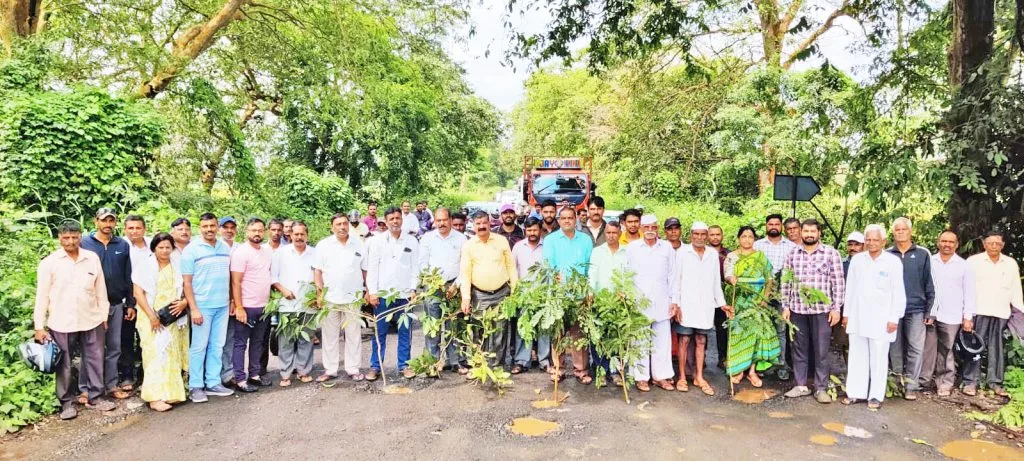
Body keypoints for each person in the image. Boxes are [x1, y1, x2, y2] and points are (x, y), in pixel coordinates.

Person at [34, 221, 117, 420]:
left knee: (95, 358)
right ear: (59, 238)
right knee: (64, 363)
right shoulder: (49, 263)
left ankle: (96, 396)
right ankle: (67, 403)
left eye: (74, 237)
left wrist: (103, 316)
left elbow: (100, 290)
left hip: (92, 318)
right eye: (66, 238)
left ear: (80, 236)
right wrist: (39, 326)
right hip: (61, 321)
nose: (70, 241)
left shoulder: (91, 258)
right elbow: (42, 296)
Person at [780, 219, 845, 403]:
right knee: (799, 349)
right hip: (797, 310)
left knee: (821, 350)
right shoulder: (793, 254)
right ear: (801, 232)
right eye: (806, 231)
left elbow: (838, 283)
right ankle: (800, 385)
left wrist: (836, 308)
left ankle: (821, 388)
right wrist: (786, 306)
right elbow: (786, 281)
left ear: (819, 233)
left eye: (812, 231)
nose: (809, 234)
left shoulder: (831, 254)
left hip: (822, 311)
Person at [843, 224, 905, 410]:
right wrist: (846, 314)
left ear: (884, 241)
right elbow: (851, 289)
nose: (871, 243)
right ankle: (855, 392)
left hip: (882, 318)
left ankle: (876, 396)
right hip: (858, 315)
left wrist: (895, 317)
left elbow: (898, 292)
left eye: (875, 240)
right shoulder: (858, 260)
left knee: (878, 357)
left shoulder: (892, 262)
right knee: (857, 356)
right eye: (868, 239)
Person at [79, 207, 135, 401]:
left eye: (111, 220)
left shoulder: (122, 244)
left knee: (114, 347)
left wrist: (131, 303)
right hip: (92, 306)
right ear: (96, 221)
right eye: (104, 220)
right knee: (91, 347)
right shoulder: (84, 243)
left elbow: (129, 275)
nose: (107, 224)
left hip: (117, 304)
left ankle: (111, 384)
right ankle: (85, 389)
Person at [131, 232, 189, 412]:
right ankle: (154, 397)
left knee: (171, 356)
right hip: (151, 318)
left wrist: (184, 302)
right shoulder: (145, 267)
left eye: (168, 247)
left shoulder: (177, 265)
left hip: (173, 317)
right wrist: (152, 317)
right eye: (160, 247)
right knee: (154, 355)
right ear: (154, 248)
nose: (164, 251)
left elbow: (187, 287)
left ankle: (171, 394)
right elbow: (138, 293)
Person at [181, 212, 235, 403]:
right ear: (200, 227)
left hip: (222, 305)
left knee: (217, 345)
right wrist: (194, 308)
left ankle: (213, 382)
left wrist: (231, 301)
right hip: (202, 306)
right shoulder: (191, 250)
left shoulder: (224, 247)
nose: (209, 229)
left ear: (217, 227)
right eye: (205, 226)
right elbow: (187, 283)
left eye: (212, 226)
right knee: (199, 346)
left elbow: (229, 276)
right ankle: (196, 386)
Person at [672, 222, 729, 396]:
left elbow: (715, 283)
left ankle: (699, 376)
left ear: (706, 236)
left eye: (703, 234)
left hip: (705, 306)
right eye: (696, 234)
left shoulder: (712, 254)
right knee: (684, 340)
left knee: (701, 341)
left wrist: (722, 303)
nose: (699, 237)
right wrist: (676, 304)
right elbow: (676, 280)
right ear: (691, 235)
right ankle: (681, 376)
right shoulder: (682, 253)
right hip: (686, 305)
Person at [964, 231, 1023, 397]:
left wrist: (1020, 313)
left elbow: (1016, 290)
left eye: (997, 243)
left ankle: (995, 382)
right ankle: (971, 382)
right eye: (990, 243)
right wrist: (967, 314)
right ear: (984, 244)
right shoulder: (973, 262)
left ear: (1003, 245)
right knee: (975, 347)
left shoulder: (1010, 263)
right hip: (979, 310)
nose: (994, 246)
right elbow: (967, 289)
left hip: (1001, 312)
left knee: (997, 349)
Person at [366, 206, 420, 380]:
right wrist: (372, 292)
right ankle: (375, 366)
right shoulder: (377, 242)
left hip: (404, 296)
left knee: (405, 332)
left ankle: (405, 366)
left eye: (398, 218)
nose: (395, 221)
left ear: (401, 220)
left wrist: (413, 289)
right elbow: (372, 268)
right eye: (392, 219)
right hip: (383, 296)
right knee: (379, 333)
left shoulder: (411, 241)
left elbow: (415, 268)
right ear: (386, 221)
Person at [460, 210, 518, 369]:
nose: (481, 226)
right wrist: (466, 298)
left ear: (490, 223)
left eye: (484, 223)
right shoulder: (468, 246)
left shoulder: (501, 241)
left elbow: (511, 267)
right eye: (478, 224)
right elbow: (465, 273)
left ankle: (497, 366)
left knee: (500, 330)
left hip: (501, 293)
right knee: (480, 331)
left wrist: (515, 289)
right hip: (479, 295)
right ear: (473, 225)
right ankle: (481, 365)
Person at [314, 214, 368, 385]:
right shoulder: (323, 245)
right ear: (332, 227)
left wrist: (366, 290)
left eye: (345, 223)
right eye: (338, 224)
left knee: (353, 334)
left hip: (353, 297)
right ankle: (330, 370)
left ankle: (353, 369)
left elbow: (364, 269)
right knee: (330, 335)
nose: (342, 227)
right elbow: (317, 272)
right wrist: (319, 293)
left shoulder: (358, 244)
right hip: (330, 298)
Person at [723, 226, 780, 388]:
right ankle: (738, 369)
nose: (747, 240)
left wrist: (765, 298)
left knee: (756, 334)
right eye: (744, 236)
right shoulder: (732, 256)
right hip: (739, 300)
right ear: (738, 239)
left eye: (750, 236)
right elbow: (727, 275)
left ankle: (752, 371)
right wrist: (731, 279)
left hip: (757, 300)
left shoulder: (760, 256)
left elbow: (770, 278)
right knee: (739, 333)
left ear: (754, 239)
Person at [543, 206, 594, 383]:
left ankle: (581, 371)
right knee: (558, 334)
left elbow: (589, 267)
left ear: (576, 220)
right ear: (558, 220)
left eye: (570, 218)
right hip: (558, 295)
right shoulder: (550, 240)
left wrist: (588, 291)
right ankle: (558, 369)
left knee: (579, 335)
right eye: (563, 218)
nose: (567, 221)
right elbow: (548, 266)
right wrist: (555, 277)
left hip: (579, 295)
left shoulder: (586, 240)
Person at [886, 216, 935, 401]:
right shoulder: (888, 254)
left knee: (915, 348)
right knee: (894, 347)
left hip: (916, 308)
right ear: (893, 233)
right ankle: (897, 382)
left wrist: (930, 310)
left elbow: (930, 282)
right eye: (897, 230)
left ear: (910, 231)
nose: (900, 232)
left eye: (903, 229)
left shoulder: (922, 254)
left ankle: (911, 386)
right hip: (892, 310)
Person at [922, 230, 975, 396]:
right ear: (938, 242)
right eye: (944, 241)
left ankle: (945, 383)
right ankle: (924, 381)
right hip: (930, 313)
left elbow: (969, 292)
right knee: (927, 349)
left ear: (956, 245)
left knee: (946, 349)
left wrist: (968, 317)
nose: (947, 244)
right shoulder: (930, 261)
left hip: (952, 315)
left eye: (951, 242)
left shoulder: (963, 265)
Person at [627, 215, 677, 392]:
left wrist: (674, 301)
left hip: (662, 301)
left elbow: (673, 276)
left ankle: (661, 377)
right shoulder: (632, 248)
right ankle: (641, 378)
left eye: (653, 227)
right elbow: (627, 275)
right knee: (640, 341)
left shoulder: (667, 248)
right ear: (641, 228)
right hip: (639, 303)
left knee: (662, 342)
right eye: (646, 226)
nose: (650, 230)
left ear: (657, 229)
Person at [418, 208, 468, 374]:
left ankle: (455, 362)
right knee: (433, 326)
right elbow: (422, 264)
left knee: (454, 325)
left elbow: (465, 266)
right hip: (433, 288)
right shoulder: (427, 239)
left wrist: (456, 284)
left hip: (453, 287)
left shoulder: (461, 239)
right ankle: (432, 363)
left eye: (444, 220)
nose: (441, 223)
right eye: (438, 220)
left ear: (450, 220)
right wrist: (432, 282)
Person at [271, 221, 318, 387]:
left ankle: (303, 371)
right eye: (295, 234)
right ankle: (285, 373)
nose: (299, 237)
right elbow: (273, 277)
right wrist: (282, 290)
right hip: (288, 304)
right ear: (290, 235)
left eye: (302, 234)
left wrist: (317, 296)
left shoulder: (315, 253)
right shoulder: (281, 253)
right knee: (286, 341)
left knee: (307, 340)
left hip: (309, 304)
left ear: (307, 235)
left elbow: (320, 276)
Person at [229, 218, 273, 392]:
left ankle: (254, 375)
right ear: (246, 232)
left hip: (263, 306)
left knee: (258, 342)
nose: (257, 233)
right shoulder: (240, 253)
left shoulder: (267, 252)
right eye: (253, 230)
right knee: (240, 343)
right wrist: (239, 307)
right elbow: (236, 282)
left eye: (260, 230)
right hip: (246, 306)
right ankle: (240, 379)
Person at [754, 213, 798, 380]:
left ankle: (781, 365)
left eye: (777, 224)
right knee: (763, 329)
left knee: (780, 330)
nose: (773, 226)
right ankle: (764, 364)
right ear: (766, 226)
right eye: (770, 223)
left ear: (781, 227)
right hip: (762, 295)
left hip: (782, 295)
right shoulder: (758, 246)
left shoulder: (790, 247)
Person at [588, 220, 628, 383]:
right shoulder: (597, 252)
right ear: (605, 234)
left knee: (617, 336)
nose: (611, 236)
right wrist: (590, 293)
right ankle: (601, 370)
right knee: (598, 337)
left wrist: (625, 293)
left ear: (620, 233)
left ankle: (616, 371)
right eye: (608, 233)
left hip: (618, 302)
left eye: (614, 233)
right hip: (600, 300)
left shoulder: (626, 253)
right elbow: (592, 273)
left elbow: (628, 274)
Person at [511, 217, 549, 374]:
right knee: (523, 329)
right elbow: (512, 269)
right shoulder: (518, 247)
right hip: (524, 295)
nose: (532, 233)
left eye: (535, 230)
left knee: (544, 329)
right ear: (525, 231)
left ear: (540, 230)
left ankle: (544, 361)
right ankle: (521, 361)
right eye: (529, 230)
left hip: (543, 294)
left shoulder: (547, 246)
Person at [122, 214, 151, 391]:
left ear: (144, 228)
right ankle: (127, 376)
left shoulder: (151, 246)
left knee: (145, 339)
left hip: (149, 301)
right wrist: (130, 303)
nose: (134, 231)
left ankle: (144, 375)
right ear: (125, 229)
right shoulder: (121, 246)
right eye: (130, 228)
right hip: (128, 300)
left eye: (138, 228)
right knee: (126, 338)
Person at [708, 224, 731, 370]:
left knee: (722, 327)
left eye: (718, 234)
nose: (715, 237)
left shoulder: (729, 254)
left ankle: (723, 357)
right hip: (705, 295)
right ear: (707, 236)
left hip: (722, 295)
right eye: (712, 234)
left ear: (722, 236)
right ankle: (701, 359)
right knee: (702, 328)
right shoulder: (703, 252)